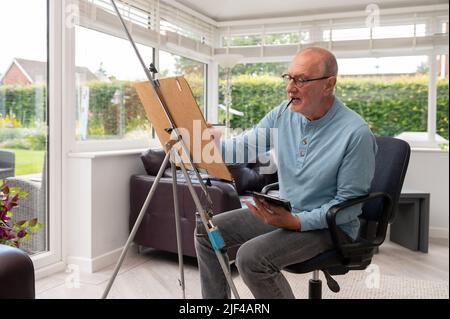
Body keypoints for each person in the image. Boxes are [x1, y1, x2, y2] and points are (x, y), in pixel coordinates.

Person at [195, 47, 377, 299]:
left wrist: (297, 222)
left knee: (251, 258)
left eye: (301, 80)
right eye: (288, 77)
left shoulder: (356, 134)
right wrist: (204, 144)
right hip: (288, 210)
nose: (290, 87)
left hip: (330, 227)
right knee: (208, 229)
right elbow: (244, 147)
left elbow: (347, 207)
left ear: (329, 84)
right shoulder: (283, 113)